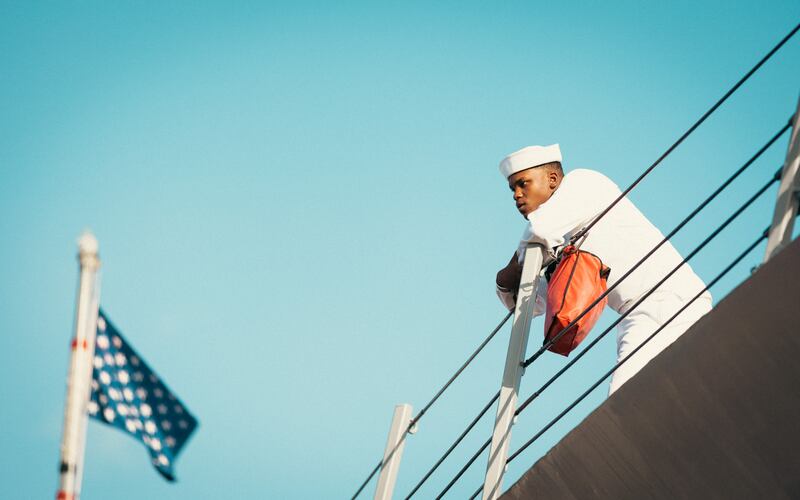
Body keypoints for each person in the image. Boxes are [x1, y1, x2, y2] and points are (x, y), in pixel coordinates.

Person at [495, 144, 712, 394]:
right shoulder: (561, 239)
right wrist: (504, 282)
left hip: (669, 300)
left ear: (552, 179)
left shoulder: (584, 183)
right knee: (644, 404)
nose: (516, 195)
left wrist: (513, 267)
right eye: (513, 189)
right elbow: (532, 301)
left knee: (625, 403)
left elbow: (539, 231)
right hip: (638, 315)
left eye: (523, 184)